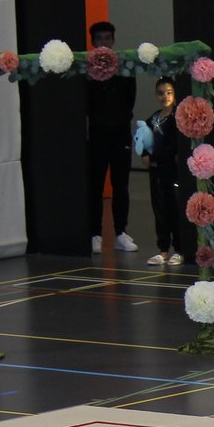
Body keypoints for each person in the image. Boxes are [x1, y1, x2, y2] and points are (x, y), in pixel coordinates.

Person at [83, 20, 138, 254]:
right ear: (93, 42)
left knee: (121, 185)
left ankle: (120, 233)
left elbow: (130, 100)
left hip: (120, 135)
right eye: (99, 39)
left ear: (113, 41)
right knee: (95, 185)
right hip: (97, 135)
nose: (104, 42)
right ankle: (95, 233)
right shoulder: (87, 72)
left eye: (107, 38)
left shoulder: (123, 70)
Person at [141, 77, 197, 267]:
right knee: (160, 210)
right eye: (160, 93)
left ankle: (179, 250)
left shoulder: (177, 118)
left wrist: (154, 157)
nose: (165, 96)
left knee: (174, 209)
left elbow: (173, 146)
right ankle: (163, 250)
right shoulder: (154, 118)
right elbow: (144, 139)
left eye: (169, 92)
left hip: (172, 172)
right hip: (156, 173)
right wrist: (144, 154)